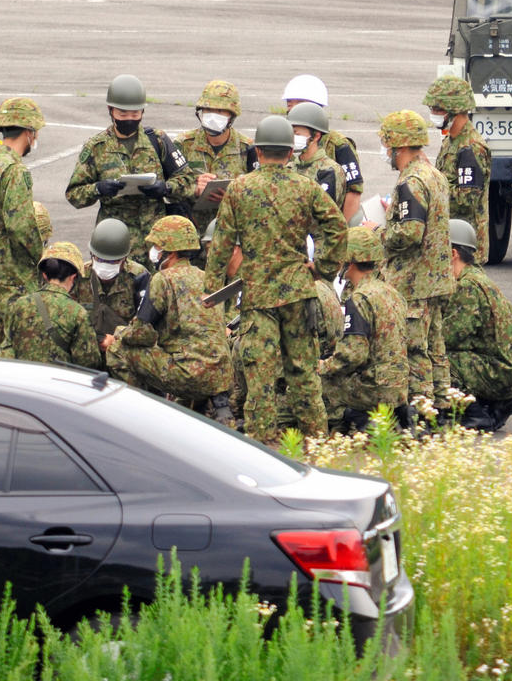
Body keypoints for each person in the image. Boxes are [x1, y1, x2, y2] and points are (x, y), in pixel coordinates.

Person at [206, 114, 347, 443]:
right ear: (289, 153)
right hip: (298, 292)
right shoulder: (305, 186)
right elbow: (337, 227)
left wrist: (211, 292)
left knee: (260, 378)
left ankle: (263, 445)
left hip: (259, 298)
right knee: (304, 373)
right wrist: (323, 268)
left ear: (257, 152)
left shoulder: (240, 189)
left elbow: (222, 245)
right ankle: (316, 443)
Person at [103, 215, 234, 422]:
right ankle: (205, 407)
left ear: (169, 251)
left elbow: (141, 334)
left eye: (156, 246)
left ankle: (146, 414)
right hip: (222, 377)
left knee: (118, 349)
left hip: (189, 375)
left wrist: (117, 336)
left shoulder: (163, 279)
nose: (153, 252)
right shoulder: (206, 277)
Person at [65, 74, 199, 267]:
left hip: (158, 242)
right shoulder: (96, 147)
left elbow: (188, 180)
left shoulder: (158, 140)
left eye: (135, 114)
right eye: (123, 114)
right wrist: (98, 189)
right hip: (116, 243)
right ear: (111, 111)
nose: (129, 119)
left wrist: (166, 188)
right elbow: (74, 194)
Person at [373, 110, 455, 413]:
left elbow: (409, 233)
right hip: (435, 279)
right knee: (436, 350)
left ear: (399, 145)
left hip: (413, 282)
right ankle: (443, 408)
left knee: (415, 350)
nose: (385, 151)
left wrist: (378, 232)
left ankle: (422, 415)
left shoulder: (411, 181)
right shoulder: (433, 175)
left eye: (387, 144)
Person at [0, 96, 46, 355]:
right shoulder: (16, 171)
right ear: (28, 133)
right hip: (14, 275)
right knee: (18, 346)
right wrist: (42, 259)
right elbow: (21, 226)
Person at [318, 227, 408, 433]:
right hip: (399, 388)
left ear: (349, 261)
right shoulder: (392, 292)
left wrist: (322, 366)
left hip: (373, 389)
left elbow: (353, 356)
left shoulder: (358, 299)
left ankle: (342, 425)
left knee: (318, 384)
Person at [440, 219, 512, 431]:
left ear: (453, 254)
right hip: (508, 368)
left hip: (501, 373)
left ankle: (474, 414)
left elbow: (449, 337)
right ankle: (499, 404)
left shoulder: (467, 287)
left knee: (438, 359)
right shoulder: (479, 278)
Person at [177, 80, 258, 238]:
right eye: (208, 110)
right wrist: (193, 187)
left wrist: (233, 195)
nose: (213, 116)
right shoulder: (183, 144)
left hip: (231, 236)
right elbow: (167, 188)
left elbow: (259, 195)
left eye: (220, 111)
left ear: (232, 115)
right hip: (190, 235)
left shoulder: (248, 148)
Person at [281, 74, 365, 223]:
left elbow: (353, 192)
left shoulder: (338, 145)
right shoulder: (286, 138)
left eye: (299, 103)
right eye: (289, 104)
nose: (292, 109)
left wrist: (342, 234)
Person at [425, 76, 492, 262]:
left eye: (438, 109)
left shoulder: (470, 148)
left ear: (455, 110)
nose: (433, 113)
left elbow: (466, 200)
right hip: (450, 239)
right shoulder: (451, 141)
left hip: (465, 247)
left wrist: (431, 191)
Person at [5, 242, 99, 366]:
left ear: (44, 275)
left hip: (24, 381)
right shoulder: (77, 313)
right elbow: (89, 361)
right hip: (58, 383)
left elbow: (6, 350)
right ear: (73, 277)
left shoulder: (19, 305)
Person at [75, 218, 151, 340]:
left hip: (124, 348)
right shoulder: (79, 275)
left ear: (125, 258)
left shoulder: (139, 277)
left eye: (113, 261)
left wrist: (116, 340)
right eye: (99, 259)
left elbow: (147, 326)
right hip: (86, 344)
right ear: (92, 254)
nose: (105, 265)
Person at [288, 101, 346, 209]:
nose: (292, 137)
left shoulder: (329, 171)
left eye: (297, 134)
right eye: (290, 132)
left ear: (316, 137)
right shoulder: (290, 167)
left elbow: (322, 212)